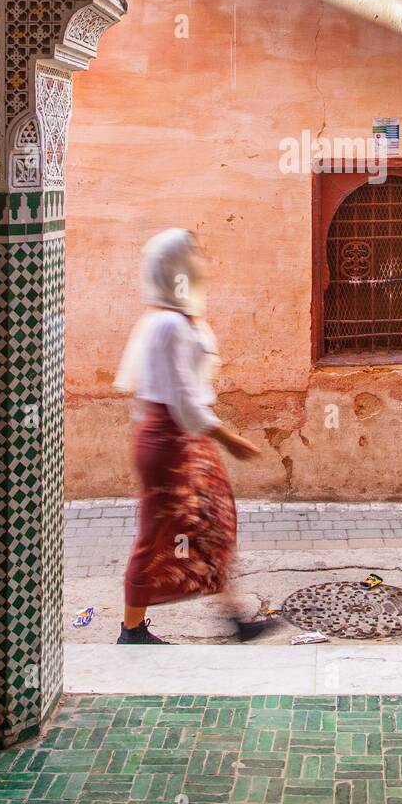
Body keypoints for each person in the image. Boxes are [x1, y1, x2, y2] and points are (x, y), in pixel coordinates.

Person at [113, 227, 268, 644]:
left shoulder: (170, 319)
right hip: (170, 441)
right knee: (162, 532)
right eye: (193, 255)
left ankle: (234, 617)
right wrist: (229, 439)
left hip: (176, 439)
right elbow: (181, 399)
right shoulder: (169, 325)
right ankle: (132, 630)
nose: (200, 262)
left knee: (208, 523)